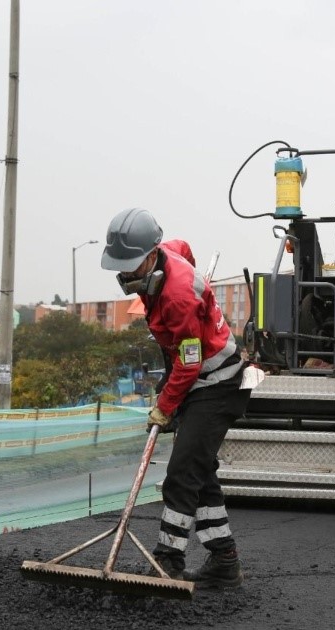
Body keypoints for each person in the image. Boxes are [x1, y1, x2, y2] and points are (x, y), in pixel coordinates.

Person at [100, 207, 250, 588]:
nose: (125, 273)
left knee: (182, 475)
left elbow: (188, 364)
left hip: (217, 383)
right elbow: (183, 246)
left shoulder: (178, 296)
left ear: (151, 256)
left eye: (131, 265)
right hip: (193, 376)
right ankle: (224, 559)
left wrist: (164, 407)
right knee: (199, 471)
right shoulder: (167, 252)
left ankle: (168, 560)